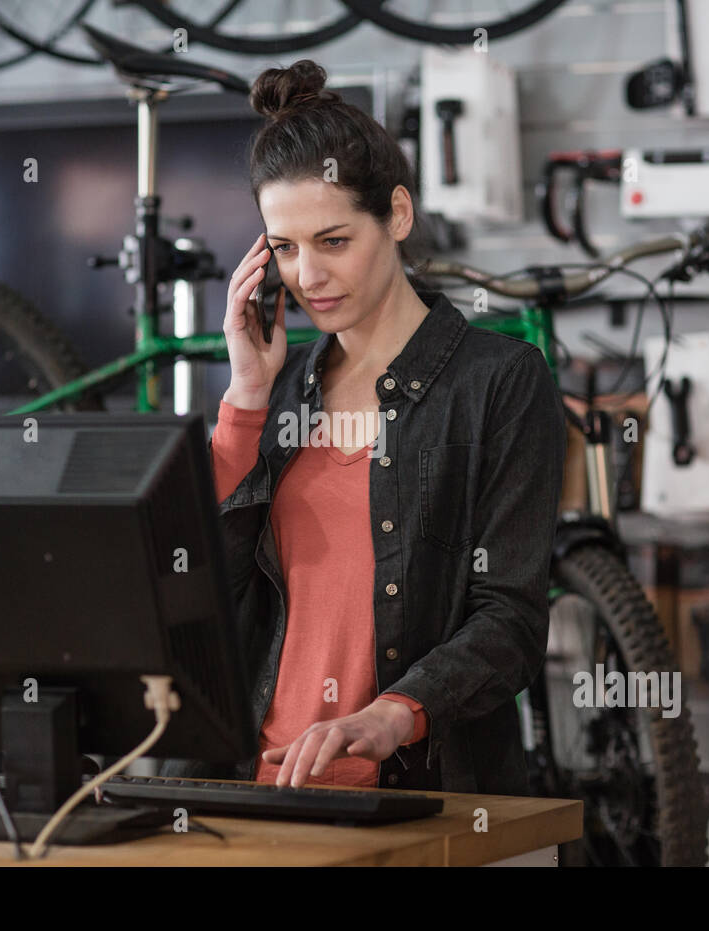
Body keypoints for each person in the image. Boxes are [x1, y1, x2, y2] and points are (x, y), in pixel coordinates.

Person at [159, 59, 565, 796]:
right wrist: (246, 393)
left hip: (416, 796)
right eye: (284, 248)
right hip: (252, 792)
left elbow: (509, 619)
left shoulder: (500, 382)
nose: (307, 275)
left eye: (333, 241)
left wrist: (394, 715)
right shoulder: (277, 385)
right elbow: (199, 586)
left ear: (398, 216)